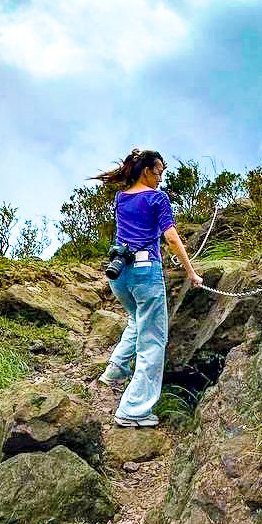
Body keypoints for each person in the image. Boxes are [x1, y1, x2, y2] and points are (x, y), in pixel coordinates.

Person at [92, 148, 204, 429]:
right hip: (145, 273)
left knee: (136, 320)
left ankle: (115, 371)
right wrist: (191, 272)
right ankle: (134, 410)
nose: (161, 178)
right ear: (147, 171)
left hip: (118, 274)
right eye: (159, 172)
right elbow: (171, 237)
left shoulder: (121, 198)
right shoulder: (157, 198)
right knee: (152, 341)